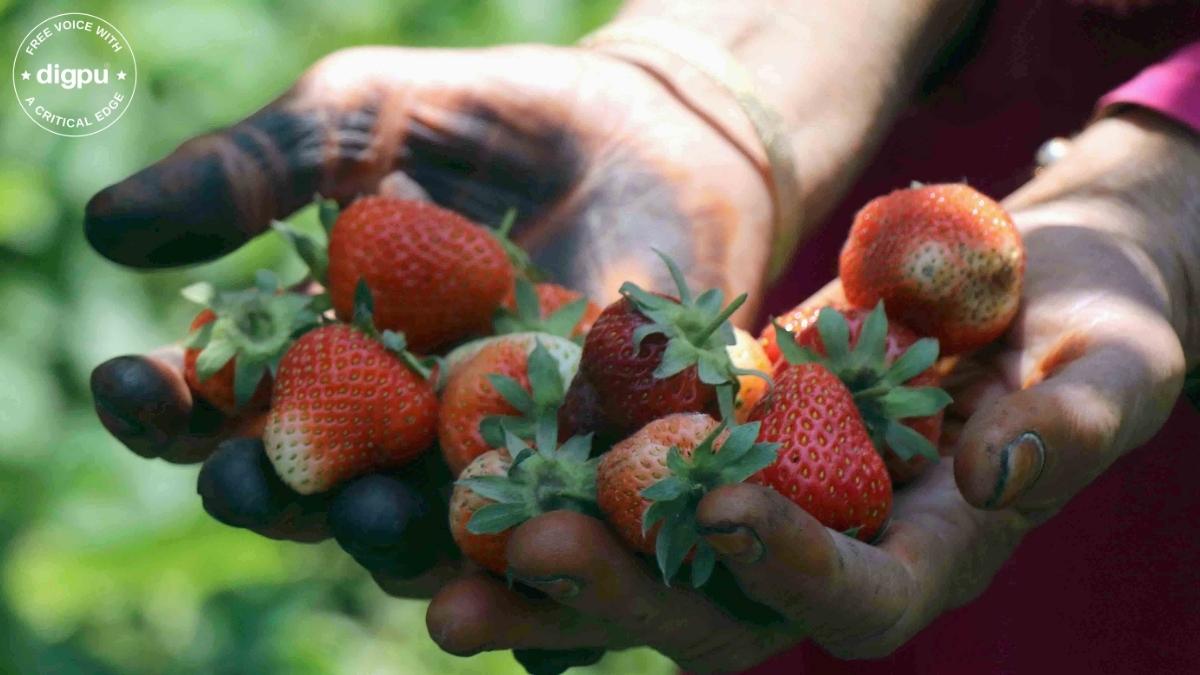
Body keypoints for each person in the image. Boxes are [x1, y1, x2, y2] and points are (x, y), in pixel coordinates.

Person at [86, 0, 1200, 672]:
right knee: (779, 515)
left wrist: (1163, 205)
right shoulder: (772, 385)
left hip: (1066, 455)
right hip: (846, 318)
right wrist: (726, 77)